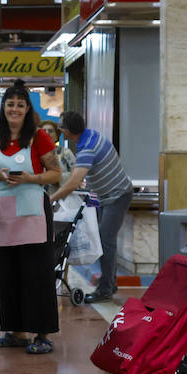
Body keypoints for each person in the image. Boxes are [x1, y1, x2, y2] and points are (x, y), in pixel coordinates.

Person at [0, 80, 62, 354]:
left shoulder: (39, 137)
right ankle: (15, 332)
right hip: (2, 215)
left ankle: (42, 335)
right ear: (3, 107)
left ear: (28, 109)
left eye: (20, 105)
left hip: (33, 213)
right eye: (10, 104)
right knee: (7, 274)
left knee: (36, 275)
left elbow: (56, 174)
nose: (14, 109)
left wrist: (31, 178)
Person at [50, 111, 134, 304]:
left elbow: (73, 182)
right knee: (104, 239)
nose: (60, 130)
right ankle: (110, 283)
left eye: (61, 127)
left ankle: (105, 289)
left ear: (68, 131)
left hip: (117, 195)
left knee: (106, 240)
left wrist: (52, 198)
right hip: (108, 195)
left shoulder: (87, 148)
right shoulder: (91, 135)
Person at [40, 121, 75, 194]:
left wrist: (56, 178)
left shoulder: (66, 153)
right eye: (43, 131)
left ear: (56, 136)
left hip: (62, 198)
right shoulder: (31, 154)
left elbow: (76, 175)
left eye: (50, 131)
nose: (46, 133)